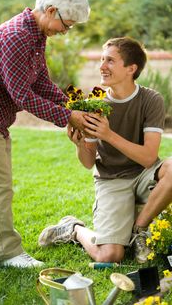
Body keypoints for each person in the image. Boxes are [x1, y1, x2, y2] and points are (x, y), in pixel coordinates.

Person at [0, 0, 90, 268]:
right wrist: (68, 117)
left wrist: (70, 105)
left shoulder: (35, 35)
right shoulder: (16, 36)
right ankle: (6, 253)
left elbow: (40, 82)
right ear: (50, 11)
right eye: (67, 24)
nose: (65, 31)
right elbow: (22, 95)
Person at [39, 37, 172, 264]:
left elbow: (150, 157)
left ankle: (139, 230)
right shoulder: (93, 103)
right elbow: (88, 163)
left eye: (109, 61)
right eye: (101, 59)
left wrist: (108, 135)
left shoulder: (151, 99)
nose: (101, 66)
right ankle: (73, 228)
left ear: (131, 69)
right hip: (111, 179)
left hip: (144, 174)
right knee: (110, 256)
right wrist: (80, 144)